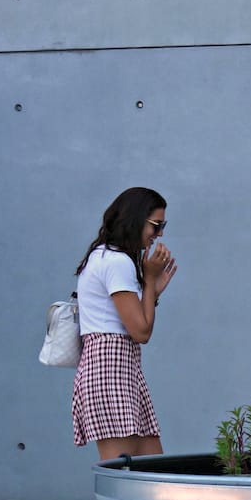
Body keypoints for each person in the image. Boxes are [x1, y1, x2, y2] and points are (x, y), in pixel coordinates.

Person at [71, 187, 178, 462]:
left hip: (118, 366)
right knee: (121, 474)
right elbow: (141, 332)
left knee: (153, 471)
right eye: (156, 225)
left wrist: (151, 289)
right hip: (110, 367)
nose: (160, 234)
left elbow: (127, 319)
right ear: (135, 219)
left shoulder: (104, 256)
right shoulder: (117, 262)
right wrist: (150, 283)